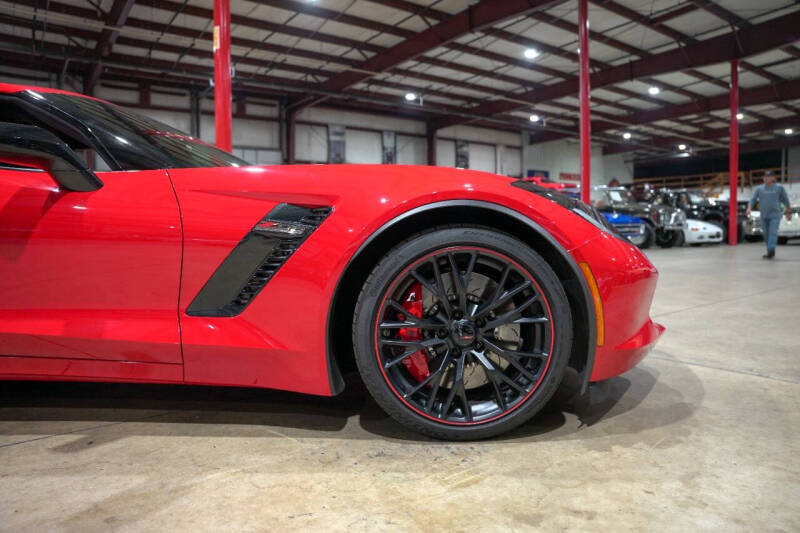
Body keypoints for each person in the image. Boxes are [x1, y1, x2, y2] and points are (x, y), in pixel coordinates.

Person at [746, 171, 792, 259]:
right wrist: (749, 208)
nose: (766, 178)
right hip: (764, 216)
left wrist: (788, 212)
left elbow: (785, 200)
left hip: (775, 215)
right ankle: (770, 250)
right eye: (765, 176)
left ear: (773, 178)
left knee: (773, 233)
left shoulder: (779, 188)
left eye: (768, 176)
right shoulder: (759, 189)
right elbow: (753, 199)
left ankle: (771, 249)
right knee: (766, 234)